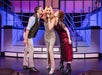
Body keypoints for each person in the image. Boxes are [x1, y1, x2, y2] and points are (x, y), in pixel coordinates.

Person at [23, 6, 43, 72]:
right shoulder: (33, 18)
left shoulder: (38, 17)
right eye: (41, 9)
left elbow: (44, 14)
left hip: (29, 35)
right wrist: (25, 39)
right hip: (28, 35)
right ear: (37, 11)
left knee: (26, 50)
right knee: (31, 50)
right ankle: (31, 66)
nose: (42, 10)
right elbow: (28, 29)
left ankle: (25, 64)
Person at [54, 10, 73, 75]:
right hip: (62, 39)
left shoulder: (60, 23)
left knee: (68, 53)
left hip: (66, 39)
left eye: (56, 12)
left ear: (58, 15)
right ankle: (61, 64)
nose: (55, 12)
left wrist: (69, 39)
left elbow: (67, 30)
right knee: (62, 52)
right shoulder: (55, 21)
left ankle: (68, 68)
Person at [43, 6, 56, 74]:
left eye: (49, 10)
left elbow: (50, 28)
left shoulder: (53, 18)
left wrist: (48, 19)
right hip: (46, 37)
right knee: (48, 52)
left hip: (52, 37)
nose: (48, 11)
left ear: (51, 11)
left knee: (50, 51)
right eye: (47, 10)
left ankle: (53, 68)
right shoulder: (44, 17)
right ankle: (48, 64)